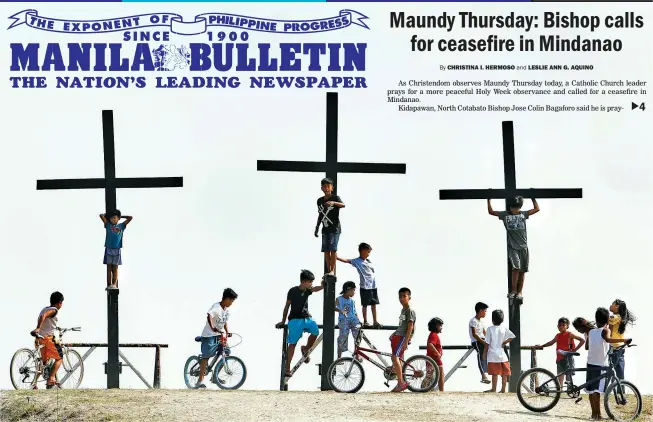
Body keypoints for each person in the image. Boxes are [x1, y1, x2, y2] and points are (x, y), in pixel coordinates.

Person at [487, 195, 539, 299]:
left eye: (516, 208)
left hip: (523, 246)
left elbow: (537, 209)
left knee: (523, 270)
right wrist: (489, 199)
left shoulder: (523, 214)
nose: (515, 210)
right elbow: (491, 212)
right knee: (516, 268)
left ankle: (519, 292)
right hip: (513, 247)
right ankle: (513, 290)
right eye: (513, 208)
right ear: (510, 207)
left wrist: (533, 198)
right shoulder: (505, 215)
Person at [584, 307, 632, 420]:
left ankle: (593, 413)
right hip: (601, 365)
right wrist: (623, 340)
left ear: (596, 320)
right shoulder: (606, 330)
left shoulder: (591, 331)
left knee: (591, 391)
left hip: (590, 363)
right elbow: (608, 340)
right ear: (607, 321)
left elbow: (587, 347)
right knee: (597, 391)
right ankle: (599, 415)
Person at [277, 270, 324, 377]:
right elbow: (287, 306)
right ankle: (287, 368)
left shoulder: (308, 290)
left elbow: (315, 289)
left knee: (315, 331)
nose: (311, 284)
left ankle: (306, 348)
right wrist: (283, 321)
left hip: (306, 318)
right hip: (294, 320)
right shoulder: (292, 291)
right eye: (310, 282)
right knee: (292, 344)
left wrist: (323, 286)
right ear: (303, 281)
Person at [195, 288, 238, 389]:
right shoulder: (216, 307)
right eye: (231, 300)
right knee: (206, 356)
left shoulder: (226, 311)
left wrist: (227, 332)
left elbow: (224, 321)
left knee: (226, 352)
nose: (232, 303)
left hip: (219, 335)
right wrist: (212, 327)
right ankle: (199, 381)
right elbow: (209, 316)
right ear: (226, 299)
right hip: (209, 335)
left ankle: (215, 377)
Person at [336, 242, 382, 327]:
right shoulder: (357, 261)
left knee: (373, 304)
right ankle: (365, 321)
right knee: (365, 304)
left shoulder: (368, 261)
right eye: (367, 252)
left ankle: (375, 321)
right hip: (365, 286)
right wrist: (337, 257)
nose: (368, 254)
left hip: (373, 286)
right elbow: (347, 261)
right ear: (362, 251)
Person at [535, 317, 585, 386]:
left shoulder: (569, 334)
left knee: (568, 377)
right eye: (559, 325)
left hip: (568, 358)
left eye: (563, 325)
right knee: (560, 377)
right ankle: (560, 392)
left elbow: (582, 340)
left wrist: (575, 350)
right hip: (559, 359)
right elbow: (551, 342)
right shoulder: (558, 336)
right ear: (557, 326)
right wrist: (542, 346)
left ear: (567, 326)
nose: (561, 327)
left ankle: (569, 391)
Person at [30, 291, 64, 389]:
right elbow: (43, 316)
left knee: (44, 363)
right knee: (59, 358)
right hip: (48, 340)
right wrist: (37, 328)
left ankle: (34, 383)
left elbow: (44, 318)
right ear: (60, 303)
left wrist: (39, 330)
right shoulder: (54, 310)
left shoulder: (44, 309)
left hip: (40, 339)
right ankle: (51, 378)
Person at [314, 178, 345, 276]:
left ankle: (332, 271)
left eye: (328, 186)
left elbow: (343, 205)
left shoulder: (335, 198)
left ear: (332, 187)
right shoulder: (319, 201)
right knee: (326, 250)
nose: (326, 188)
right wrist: (317, 227)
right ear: (321, 188)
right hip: (325, 228)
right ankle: (328, 271)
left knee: (333, 249)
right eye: (324, 186)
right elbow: (320, 214)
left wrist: (333, 203)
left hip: (335, 228)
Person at [389, 287, 415, 392]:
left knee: (395, 358)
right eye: (400, 296)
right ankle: (399, 382)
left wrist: (406, 341)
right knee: (397, 359)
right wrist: (394, 333)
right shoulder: (403, 310)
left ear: (409, 297)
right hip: (398, 336)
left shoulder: (410, 311)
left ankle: (401, 383)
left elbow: (410, 327)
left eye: (404, 296)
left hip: (402, 337)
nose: (402, 298)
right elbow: (402, 325)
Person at [483, 309, 515, 393]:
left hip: (492, 355)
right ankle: (503, 389)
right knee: (504, 373)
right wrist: (505, 342)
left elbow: (487, 343)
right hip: (502, 354)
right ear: (502, 319)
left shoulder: (490, 329)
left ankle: (494, 389)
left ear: (492, 320)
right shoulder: (504, 328)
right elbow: (512, 336)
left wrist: (484, 353)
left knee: (495, 373)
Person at [100, 209, 133, 290]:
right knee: (109, 267)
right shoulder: (108, 225)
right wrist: (107, 216)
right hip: (108, 249)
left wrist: (121, 216)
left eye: (115, 218)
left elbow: (130, 218)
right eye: (112, 218)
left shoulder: (121, 226)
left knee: (115, 267)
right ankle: (109, 284)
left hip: (117, 249)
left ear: (118, 218)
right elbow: (101, 215)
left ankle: (114, 284)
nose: (113, 219)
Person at [608, 299, 636, 384]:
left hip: (613, 347)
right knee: (620, 374)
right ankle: (621, 393)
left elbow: (609, 333)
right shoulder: (621, 317)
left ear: (617, 306)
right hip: (619, 347)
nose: (610, 305)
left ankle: (604, 392)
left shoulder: (613, 317)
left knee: (608, 372)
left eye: (612, 304)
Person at [335, 281, 361, 360]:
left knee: (358, 334)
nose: (354, 292)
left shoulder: (352, 301)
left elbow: (354, 312)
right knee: (343, 337)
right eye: (353, 290)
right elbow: (333, 307)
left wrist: (358, 320)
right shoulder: (339, 299)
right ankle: (339, 357)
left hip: (353, 319)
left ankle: (356, 354)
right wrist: (341, 311)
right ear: (348, 289)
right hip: (344, 319)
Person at [469, 302, 491, 384]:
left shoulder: (481, 322)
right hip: (477, 341)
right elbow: (474, 334)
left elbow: (485, 333)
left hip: (483, 340)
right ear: (481, 311)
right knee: (480, 353)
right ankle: (483, 375)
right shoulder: (473, 321)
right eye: (485, 311)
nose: (485, 313)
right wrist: (483, 342)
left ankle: (489, 371)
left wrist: (488, 341)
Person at [425, 317, 445, 392]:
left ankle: (423, 388)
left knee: (429, 376)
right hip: (434, 358)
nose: (441, 328)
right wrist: (437, 353)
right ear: (436, 326)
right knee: (441, 375)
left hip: (433, 358)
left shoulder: (433, 335)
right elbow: (430, 344)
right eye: (440, 326)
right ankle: (441, 391)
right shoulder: (433, 335)